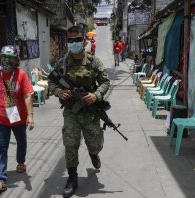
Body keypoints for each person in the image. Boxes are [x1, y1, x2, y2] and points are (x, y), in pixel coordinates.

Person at [48, 25, 110, 198]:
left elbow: (105, 82)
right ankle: (72, 178)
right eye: (71, 40)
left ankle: (93, 154)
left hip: (90, 112)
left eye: (77, 40)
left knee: (95, 143)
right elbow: (51, 81)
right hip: (71, 112)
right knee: (70, 144)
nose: (74, 43)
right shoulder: (62, 63)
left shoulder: (93, 62)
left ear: (83, 41)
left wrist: (96, 95)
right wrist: (58, 92)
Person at [0, 45, 34, 191]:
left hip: (17, 117)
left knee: (21, 141)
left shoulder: (21, 75)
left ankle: (20, 162)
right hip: (0, 118)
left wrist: (30, 115)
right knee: (1, 147)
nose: (6, 60)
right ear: (0, 58)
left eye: (10, 58)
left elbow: (27, 95)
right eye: (3, 57)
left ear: (16, 60)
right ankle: (1, 179)